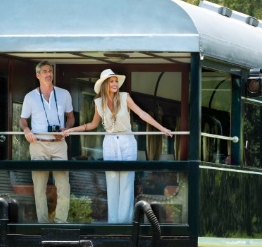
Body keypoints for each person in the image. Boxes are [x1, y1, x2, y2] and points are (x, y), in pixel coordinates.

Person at [63, 68, 172, 223]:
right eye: (111, 81)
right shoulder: (98, 103)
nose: (114, 84)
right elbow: (92, 124)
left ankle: (125, 222)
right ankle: (113, 222)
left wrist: (162, 129)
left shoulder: (124, 97)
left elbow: (142, 114)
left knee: (126, 181)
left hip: (127, 140)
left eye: (115, 81)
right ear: (104, 85)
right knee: (112, 181)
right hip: (110, 142)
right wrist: (71, 130)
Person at [20, 61, 75, 223]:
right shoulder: (30, 97)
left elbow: (71, 117)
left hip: (59, 144)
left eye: (50, 71)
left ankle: (61, 222)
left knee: (64, 186)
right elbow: (23, 120)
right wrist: (27, 130)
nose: (48, 74)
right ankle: (42, 224)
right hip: (38, 145)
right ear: (38, 75)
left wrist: (66, 129)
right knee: (39, 188)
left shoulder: (64, 93)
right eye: (44, 71)